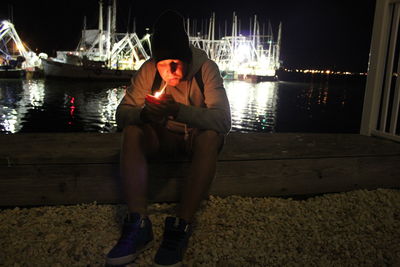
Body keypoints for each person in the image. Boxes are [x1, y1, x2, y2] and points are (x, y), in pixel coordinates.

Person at [106, 9, 231, 266]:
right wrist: (143, 115)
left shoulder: (206, 69)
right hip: (163, 139)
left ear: (186, 58)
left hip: (196, 142)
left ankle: (181, 225)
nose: (170, 70)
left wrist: (178, 110)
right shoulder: (148, 70)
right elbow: (121, 115)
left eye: (176, 63)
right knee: (131, 131)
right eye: (163, 64)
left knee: (210, 136)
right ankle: (139, 222)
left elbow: (223, 121)